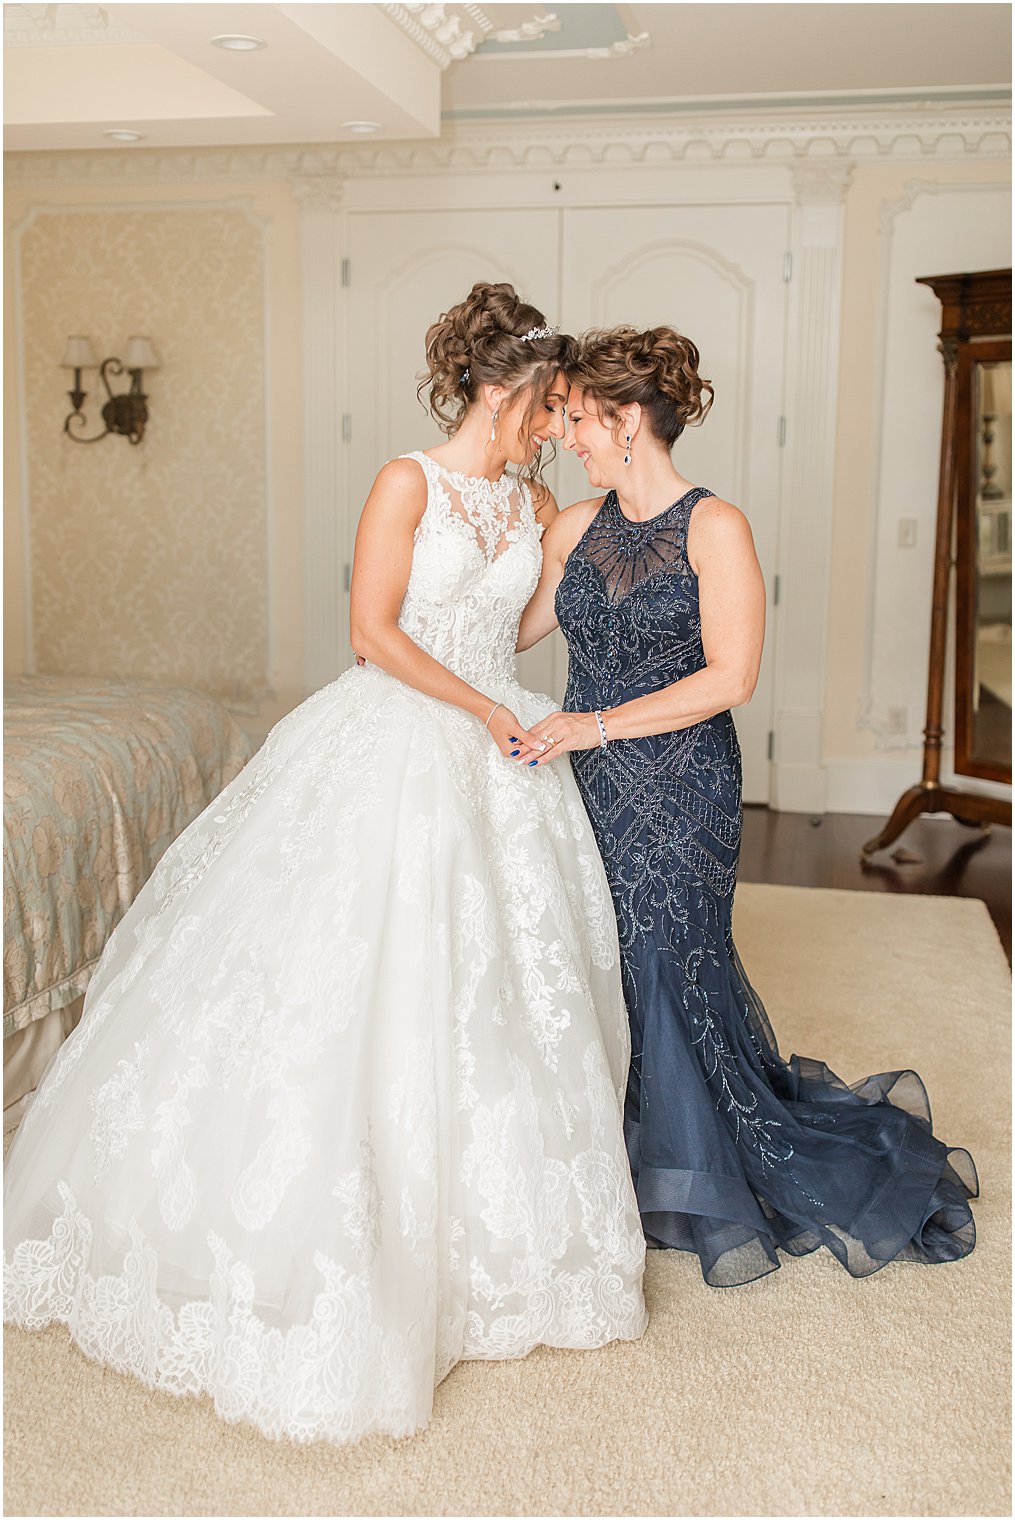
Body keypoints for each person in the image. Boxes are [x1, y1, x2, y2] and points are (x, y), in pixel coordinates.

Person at [3, 285, 647, 1445]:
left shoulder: (528, 493)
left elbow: (523, 628)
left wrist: (579, 531)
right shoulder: (408, 481)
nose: (557, 422)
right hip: (399, 730)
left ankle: (494, 1233)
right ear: (504, 390)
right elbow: (373, 633)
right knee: (347, 970)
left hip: (495, 737)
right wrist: (481, 710)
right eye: (550, 404)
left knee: (499, 987)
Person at [514, 323, 978, 1288]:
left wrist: (591, 725)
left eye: (577, 418)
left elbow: (731, 676)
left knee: (662, 955)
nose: (564, 434)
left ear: (628, 420)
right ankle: (621, 1159)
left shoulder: (712, 525)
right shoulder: (569, 527)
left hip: (680, 783)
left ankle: (689, 1173)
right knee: (597, 951)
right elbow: (514, 636)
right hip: (587, 780)